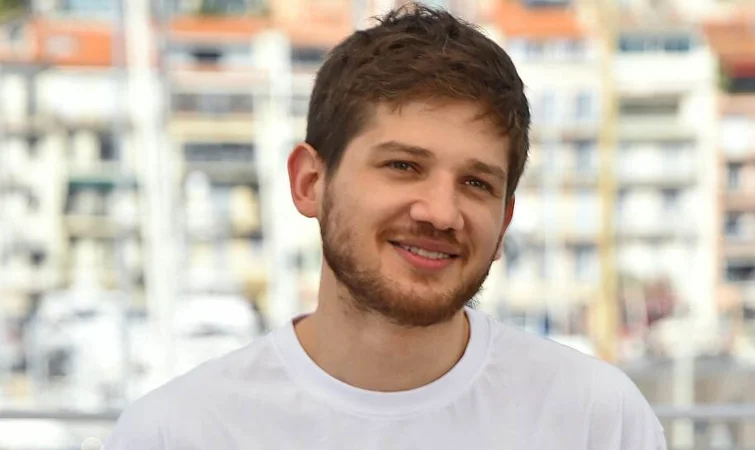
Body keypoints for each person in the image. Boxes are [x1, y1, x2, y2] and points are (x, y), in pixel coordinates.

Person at [102, 4, 667, 449]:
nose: (440, 213)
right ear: (309, 182)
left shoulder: (597, 420)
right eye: (403, 166)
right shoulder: (176, 434)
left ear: (504, 223)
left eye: (476, 183)